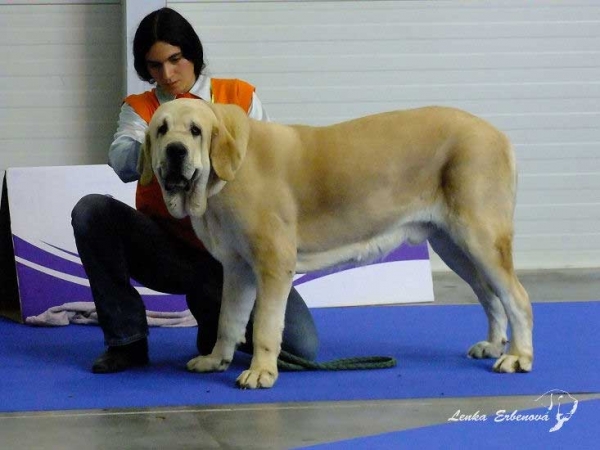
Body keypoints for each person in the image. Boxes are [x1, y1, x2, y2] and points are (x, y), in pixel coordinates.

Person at [71, 7, 319, 373]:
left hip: (235, 251)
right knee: (91, 211)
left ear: (193, 55)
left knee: (302, 346)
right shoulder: (141, 109)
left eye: (176, 60)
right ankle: (127, 342)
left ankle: (214, 322)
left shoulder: (239, 97)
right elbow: (121, 158)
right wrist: (167, 144)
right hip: (169, 249)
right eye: (155, 66)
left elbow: (272, 166)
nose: (168, 74)